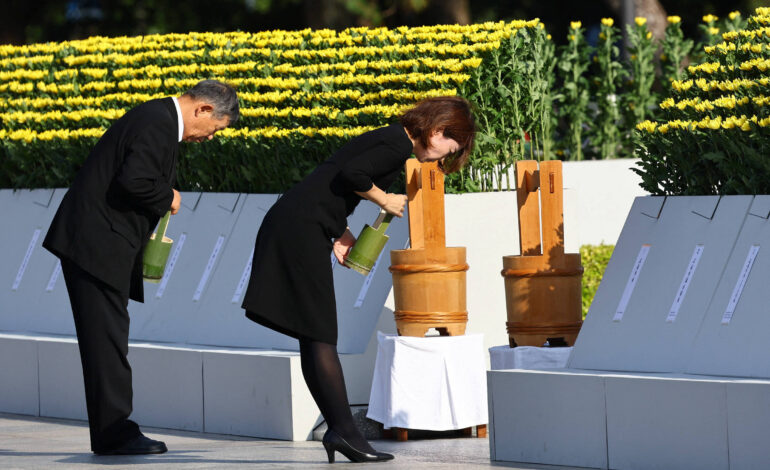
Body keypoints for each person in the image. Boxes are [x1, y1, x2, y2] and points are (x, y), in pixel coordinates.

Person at [241, 96, 476, 463]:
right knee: (319, 334)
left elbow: (332, 182)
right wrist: (385, 199)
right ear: (437, 131)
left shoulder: (391, 138)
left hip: (302, 224)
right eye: (450, 149)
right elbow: (352, 175)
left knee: (314, 334)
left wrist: (340, 231)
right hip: (300, 229)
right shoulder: (397, 144)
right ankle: (344, 432)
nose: (442, 158)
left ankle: (342, 431)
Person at [43, 80, 239, 455]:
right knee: (107, 343)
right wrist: (169, 196)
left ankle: (112, 432)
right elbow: (134, 180)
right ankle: (115, 434)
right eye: (215, 128)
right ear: (203, 109)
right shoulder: (158, 123)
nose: (210, 138)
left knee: (107, 340)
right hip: (96, 247)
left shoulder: (156, 116)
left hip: (96, 245)